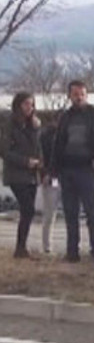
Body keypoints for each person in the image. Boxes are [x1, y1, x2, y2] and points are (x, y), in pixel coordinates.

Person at [51, 80, 94, 264]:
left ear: (87, 95)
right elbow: (58, 144)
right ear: (69, 96)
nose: (79, 98)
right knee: (70, 213)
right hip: (67, 169)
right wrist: (54, 169)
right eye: (75, 94)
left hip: (87, 169)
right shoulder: (65, 117)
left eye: (82, 94)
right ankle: (72, 252)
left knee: (92, 213)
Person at [0, 92, 42, 258]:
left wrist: (40, 164)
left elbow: (38, 147)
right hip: (17, 173)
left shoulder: (33, 124)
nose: (29, 108)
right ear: (18, 105)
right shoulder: (9, 123)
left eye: (31, 104)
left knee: (28, 211)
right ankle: (20, 247)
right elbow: (5, 151)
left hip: (32, 173)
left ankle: (21, 247)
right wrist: (25, 161)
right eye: (26, 104)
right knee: (28, 208)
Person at [39, 113, 61, 254]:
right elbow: (40, 156)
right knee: (49, 213)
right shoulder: (46, 136)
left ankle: (72, 246)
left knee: (71, 213)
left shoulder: (68, 135)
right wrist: (44, 174)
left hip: (66, 177)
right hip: (52, 177)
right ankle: (46, 246)